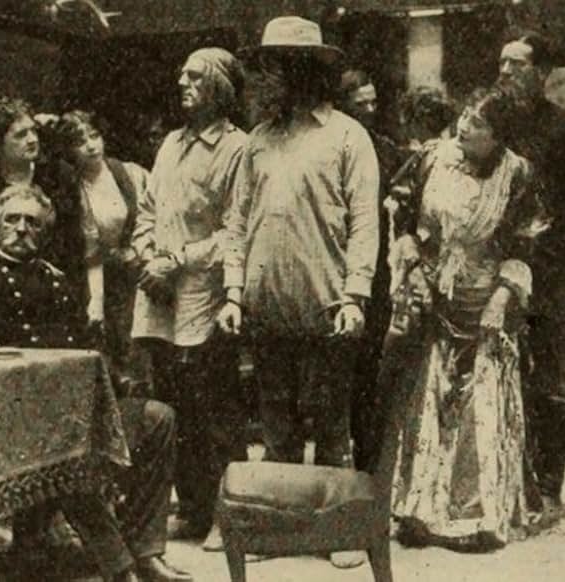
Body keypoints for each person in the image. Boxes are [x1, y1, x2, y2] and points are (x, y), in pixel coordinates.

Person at [0, 184, 192, 582]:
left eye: (33, 223)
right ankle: (121, 567)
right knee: (64, 442)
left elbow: (85, 349)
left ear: (44, 232)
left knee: (157, 419)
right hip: (8, 425)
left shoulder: (59, 282)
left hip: (71, 415)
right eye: (13, 220)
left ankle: (147, 551)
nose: (22, 229)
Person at [220, 16, 379, 569]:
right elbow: (237, 223)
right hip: (266, 307)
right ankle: (278, 532)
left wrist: (356, 295)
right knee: (277, 425)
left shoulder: (346, 137)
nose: (269, 78)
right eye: (266, 66)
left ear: (309, 71)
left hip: (329, 307)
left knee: (331, 423)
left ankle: (342, 531)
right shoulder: (258, 141)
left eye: (280, 67)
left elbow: (365, 224)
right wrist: (234, 293)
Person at [385, 88, 547, 551]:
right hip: (436, 299)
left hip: (486, 301)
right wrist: (410, 254)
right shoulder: (431, 159)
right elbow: (400, 209)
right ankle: (419, 510)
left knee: (480, 407)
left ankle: (476, 515)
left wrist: (502, 297)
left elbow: (524, 243)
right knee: (429, 403)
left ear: (498, 137)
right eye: (466, 117)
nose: (465, 127)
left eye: (478, 125)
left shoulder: (517, 175)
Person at [130, 47, 248, 542]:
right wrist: (147, 257)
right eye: (181, 74)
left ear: (220, 88)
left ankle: (228, 514)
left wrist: (178, 260)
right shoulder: (170, 145)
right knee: (168, 409)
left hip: (204, 298)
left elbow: (235, 230)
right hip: (159, 297)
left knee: (212, 412)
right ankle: (193, 506)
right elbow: (147, 212)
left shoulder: (238, 148)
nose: (182, 82)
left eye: (195, 77)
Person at [495, 30, 565, 526]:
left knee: (548, 380)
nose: (505, 72)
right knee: (498, 372)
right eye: (502, 64)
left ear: (541, 74)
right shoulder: (490, 125)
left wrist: (551, 258)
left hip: (547, 276)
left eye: (516, 65)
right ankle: (507, 483)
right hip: (493, 273)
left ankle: (550, 488)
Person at [52, 110, 151, 395]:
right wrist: (96, 300)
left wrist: (139, 252)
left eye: (94, 136)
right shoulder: (75, 190)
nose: (91, 146)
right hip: (102, 278)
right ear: (70, 150)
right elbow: (91, 250)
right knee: (110, 346)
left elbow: (153, 216)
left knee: (142, 346)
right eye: (80, 141)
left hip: (139, 269)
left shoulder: (129, 173)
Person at [340, 68, 405, 472]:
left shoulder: (386, 151)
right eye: (358, 103)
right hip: (334, 269)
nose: (368, 109)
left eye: (372, 102)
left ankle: (369, 464)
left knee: (370, 371)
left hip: (376, 277)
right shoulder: (334, 144)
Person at [0, 94, 85, 296]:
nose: (32, 140)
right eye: (20, 135)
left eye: (33, 131)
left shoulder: (58, 176)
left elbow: (74, 242)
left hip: (52, 285)